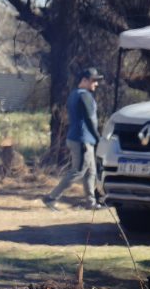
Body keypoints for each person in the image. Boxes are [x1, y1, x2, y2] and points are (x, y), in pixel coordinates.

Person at [43, 66, 106, 210]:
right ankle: (51, 198)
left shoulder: (74, 94)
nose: (96, 84)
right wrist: (97, 137)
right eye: (93, 81)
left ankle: (91, 202)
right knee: (77, 172)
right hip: (82, 140)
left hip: (78, 138)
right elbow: (89, 119)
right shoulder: (84, 95)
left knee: (91, 172)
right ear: (84, 80)